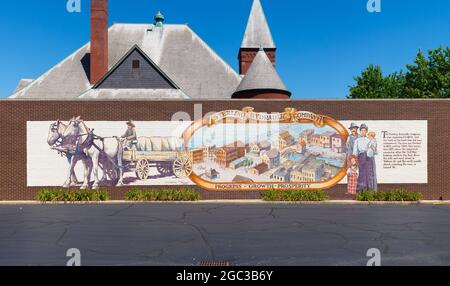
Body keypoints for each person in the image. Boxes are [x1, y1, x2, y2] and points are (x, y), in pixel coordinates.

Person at [353, 124, 375, 193]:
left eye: (364, 130)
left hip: (369, 157)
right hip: (361, 156)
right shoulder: (357, 140)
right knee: (362, 173)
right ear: (360, 131)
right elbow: (355, 151)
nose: (363, 132)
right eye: (361, 130)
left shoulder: (369, 139)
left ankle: (370, 190)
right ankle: (360, 190)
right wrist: (354, 159)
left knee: (369, 173)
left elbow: (373, 149)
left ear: (366, 131)